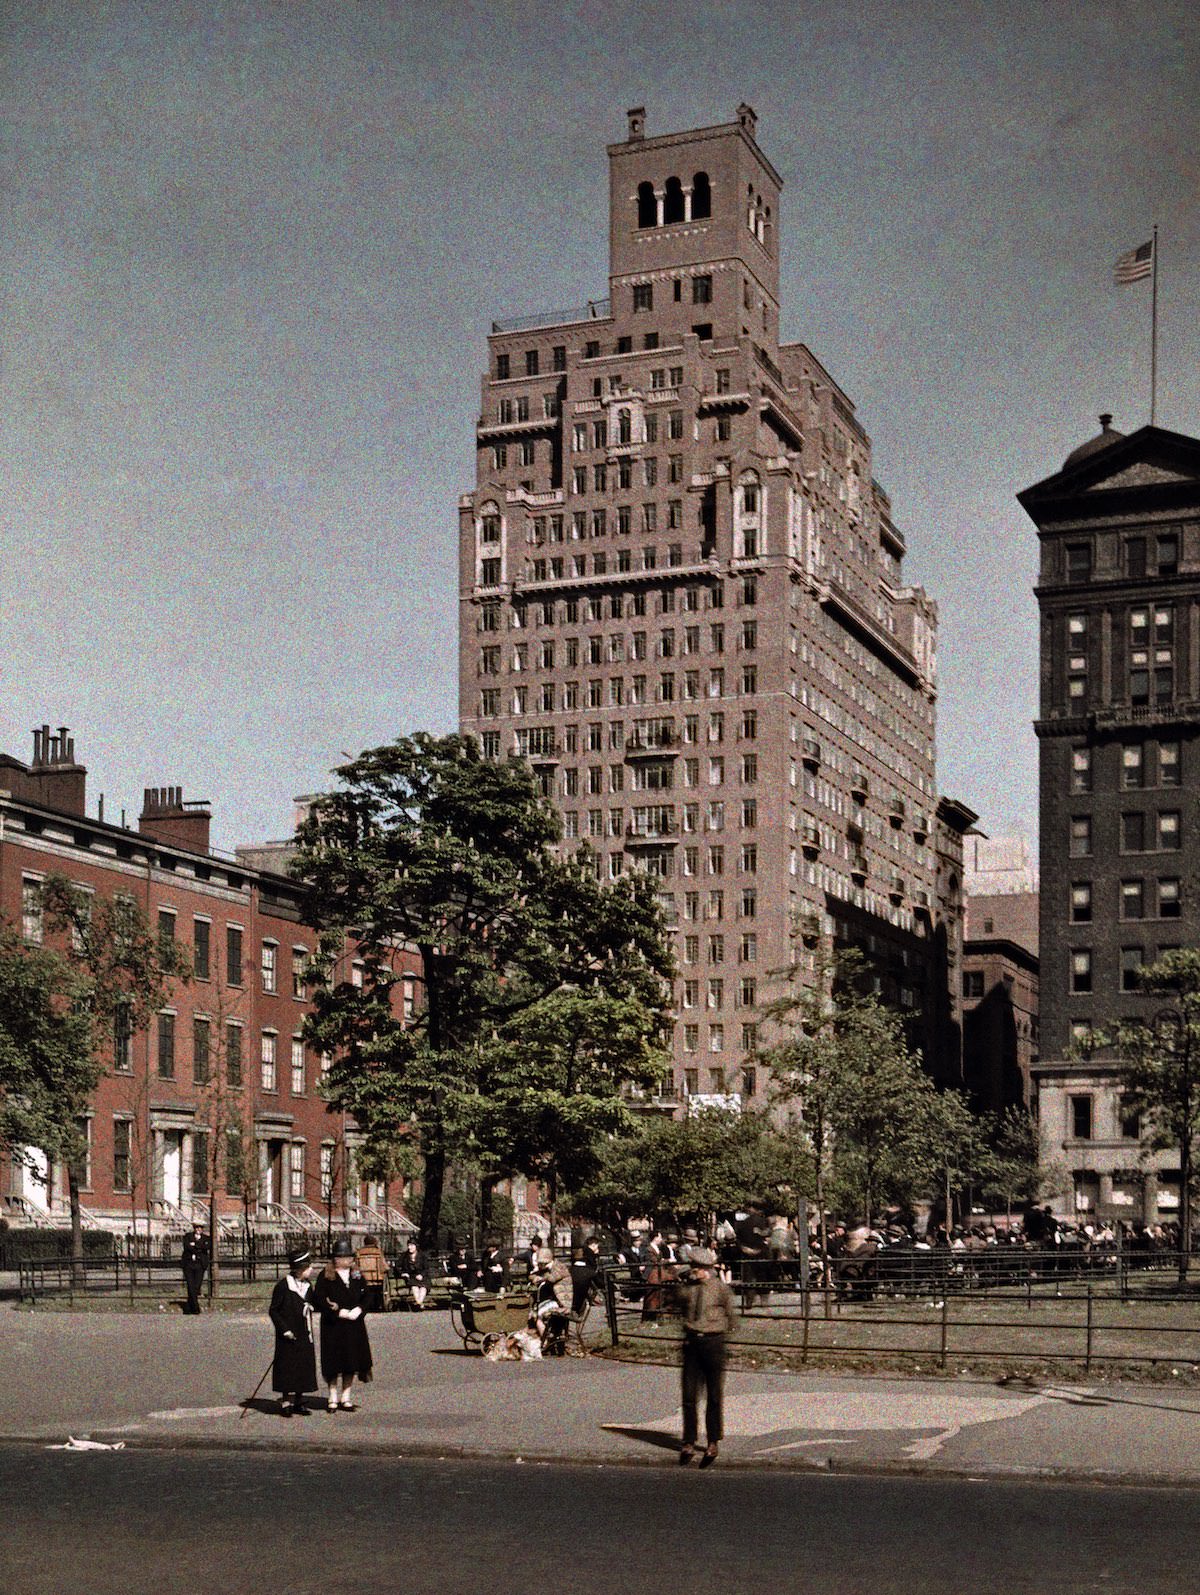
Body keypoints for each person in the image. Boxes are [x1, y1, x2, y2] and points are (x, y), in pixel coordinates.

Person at [677, 1246, 736, 1468]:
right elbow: (678, 1305)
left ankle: (713, 1441)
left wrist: (724, 1339)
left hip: (713, 1342)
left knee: (714, 1395)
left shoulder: (720, 1289)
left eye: (695, 1267)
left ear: (705, 1269)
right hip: (692, 1342)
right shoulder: (687, 1289)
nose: (692, 1270)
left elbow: (731, 1316)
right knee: (689, 1395)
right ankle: (689, 1440)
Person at [313, 1238, 373, 1411]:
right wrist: (337, 1312)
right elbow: (319, 1299)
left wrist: (360, 1309)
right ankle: (332, 1395)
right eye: (346, 1257)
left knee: (351, 1361)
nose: (350, 1260)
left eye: (350, 1256)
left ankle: (346, 1396)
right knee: (334, 1362)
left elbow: (367, 1296)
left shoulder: (356, 1274)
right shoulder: (326, 1276)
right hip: (334, 1325)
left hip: (354, 1325)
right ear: (337, 1259)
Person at [268, 1246, 319, 1417]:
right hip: (288, 1334)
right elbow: (274, 1310)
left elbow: (312, 1303)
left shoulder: (308, 1286)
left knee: (303, 1365)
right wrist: (284, 1330)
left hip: (304, 1332)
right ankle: (285, 1401)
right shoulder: (283, 1286)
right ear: (299, 1269)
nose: (311, 1270)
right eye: (308, 1267)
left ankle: (299, 1399)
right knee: (287, 1367)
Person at [181, 1222, 210, 1315]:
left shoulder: (206, 1238)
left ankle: (190, 1306)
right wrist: (198, 1247)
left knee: (196, 1286)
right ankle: (195, 1307)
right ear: (194, 1228)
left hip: (199, 1265)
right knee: (190, 1285)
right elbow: (187, 1247)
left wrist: (195, 1245)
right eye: (196, 1227)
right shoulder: (187, 1236)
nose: (198, 1229)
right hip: (189, 1264)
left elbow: (207, 1247)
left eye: (200, 1227)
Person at [355, 1234, 388, 1313]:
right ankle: (378, 1304)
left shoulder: (359, 1252)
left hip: (363, 1277)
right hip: (377, 1278)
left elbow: (356, 1266)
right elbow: (383, 1266)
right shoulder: (378, 1252)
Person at [398, 1240, 430, 1308]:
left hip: (422, 1276)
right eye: (408, 1245)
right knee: (414, 1286)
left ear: (416, 1246)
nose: (410, 1247)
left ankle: (419, 1303)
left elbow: (426, 1268)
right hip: (411, 1276)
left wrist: (421, 1275)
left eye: (412, 1245)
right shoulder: (404, 1256)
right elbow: (397, 1266)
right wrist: (403, 1273)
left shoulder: (422, 1256)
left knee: (423, 1287)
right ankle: (420, 1304)